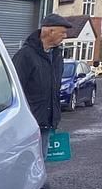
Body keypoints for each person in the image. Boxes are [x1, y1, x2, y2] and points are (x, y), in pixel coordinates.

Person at [12, 13, 73, 158]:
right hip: (28, 123)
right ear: (50, 31)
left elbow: (54, 89)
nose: (65, 36)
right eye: (62, 32)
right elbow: (14, 90)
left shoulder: (57, 56)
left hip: (47, 121)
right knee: (27, 162)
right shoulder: (25, 55)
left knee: (41, 160)